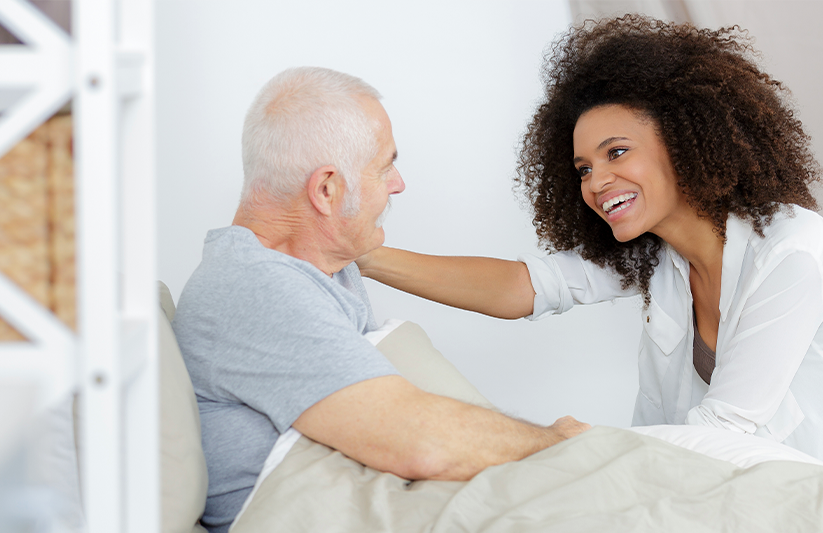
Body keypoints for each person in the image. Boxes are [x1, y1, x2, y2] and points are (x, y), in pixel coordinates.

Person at [357, 17, 823, 487]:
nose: (597, 181)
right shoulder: (658, 252)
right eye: (584, 167)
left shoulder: (792, 255)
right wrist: (361, 254)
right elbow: (527, 287)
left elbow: (725, 429)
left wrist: (572, 447)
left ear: (685, 139)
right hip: (764, 500)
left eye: (617, 151)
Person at [172, 67, 589, 533]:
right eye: (385, 165)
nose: (399, 184)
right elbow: (419, 440)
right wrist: (554, 441)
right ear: (327, 190)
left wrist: (351, 247)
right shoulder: (256, 286)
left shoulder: (313, 268)